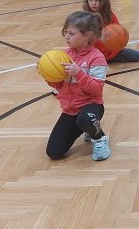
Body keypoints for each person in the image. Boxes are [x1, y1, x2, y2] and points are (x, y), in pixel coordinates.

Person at [46, 11, 111, 161]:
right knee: (54, 152)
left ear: (87, 35)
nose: (66, 37)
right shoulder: (64, 56)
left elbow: (96, 89)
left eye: (71, 33)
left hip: (91, 105)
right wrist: (48, 75)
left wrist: (79, 73)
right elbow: (60, 86)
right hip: (70, 110)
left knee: (85, 119)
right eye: (65, 32)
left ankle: (99, 138)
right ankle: (86, 128)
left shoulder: (97, 58)